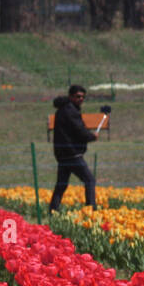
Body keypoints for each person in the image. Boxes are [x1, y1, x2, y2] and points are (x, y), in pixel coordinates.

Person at [49, 84, 98, 213]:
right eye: (78, 96)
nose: (81, 99)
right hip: (72, 154)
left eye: (83, 97)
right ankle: (91, 210)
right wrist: (92, 136)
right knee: (89, 179)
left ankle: (53, 210)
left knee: (61, 185)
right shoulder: (70, 111)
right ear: (71, 96)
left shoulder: (63, 109)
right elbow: (79, 130)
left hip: (62, 154)